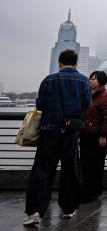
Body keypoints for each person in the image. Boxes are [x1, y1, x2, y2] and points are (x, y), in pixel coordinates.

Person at [23, 49, 92, 226]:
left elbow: (40, 104)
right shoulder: (84, 81)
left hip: (49, 132)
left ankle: (36, 212)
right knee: (70, 171)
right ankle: (69, 209)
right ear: (76, 64)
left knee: (42, 171)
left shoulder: (49, 80)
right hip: (71, 132)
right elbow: (87, 105)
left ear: (59, 63)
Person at [80, 70, 107, 203]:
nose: (91, 81)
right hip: (86, 135)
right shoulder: (88, 96)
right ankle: (89, 191)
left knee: (96, 165)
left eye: (94, 79)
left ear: (102, 82)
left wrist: (104, 136)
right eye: (90, 78)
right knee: (85, 164)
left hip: (98, 138)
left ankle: (91, 193)